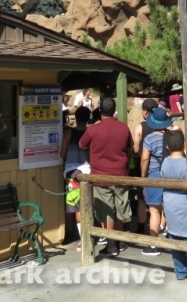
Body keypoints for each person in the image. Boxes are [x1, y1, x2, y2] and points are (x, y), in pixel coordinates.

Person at [79, 97, 133, 257]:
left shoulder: (93, 130)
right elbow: (130, 149)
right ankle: (120, 241)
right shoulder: (124, 128)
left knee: (106, 211)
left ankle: (111, 246)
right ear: (114, 110)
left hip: (100, 176)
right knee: (121, 209)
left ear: (100, 111)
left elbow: (82, 144)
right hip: (121, 174)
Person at [160, 129, 187, 280]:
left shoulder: (165, 162)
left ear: (167, 146)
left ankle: (181, 271)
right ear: (184, 144)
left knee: (174, 239)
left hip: (170, 205)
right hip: (185, 206)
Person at [140, 107, 172, 256]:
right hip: (170, 175)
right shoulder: (171, 137)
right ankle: (171, 241)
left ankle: (154, 245)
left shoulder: (149, 139)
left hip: (154, 176)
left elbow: (145, 158)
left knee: (154, 211)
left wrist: (143, 177)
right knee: (169, 209)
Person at [61, 106, 91, 251]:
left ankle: (82, 238)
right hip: (88, 172)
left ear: (76, 118)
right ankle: (88, 235)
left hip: (72, 173)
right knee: (87, 205)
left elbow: (62, 154)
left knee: (75, 206)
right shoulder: (90, 132)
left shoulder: (68, 133)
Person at [132, 98, 159, 234]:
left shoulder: (140, 127)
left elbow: (136, 150)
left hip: (144, 167)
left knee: (142, 198)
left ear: (144, 112)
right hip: (161, 167)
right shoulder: (163, 126)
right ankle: (162, 226)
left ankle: (141, 226)